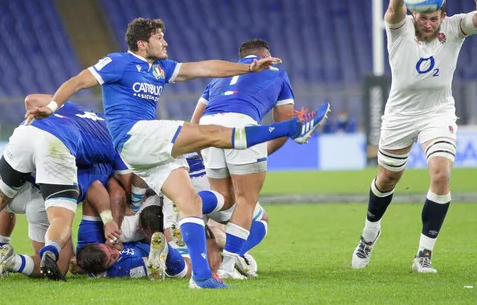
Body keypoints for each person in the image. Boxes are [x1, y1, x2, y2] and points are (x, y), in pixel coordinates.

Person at [25, 18, 330, 289]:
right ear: (143, 43)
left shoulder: (161, 68)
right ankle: (293, 128)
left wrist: (248, 67)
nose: (166, 42)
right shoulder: (117, 62)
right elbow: (78, 81)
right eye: (160, 38)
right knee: (212, 135)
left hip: (146, 149)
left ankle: (201, 277)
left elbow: (204, 68)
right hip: (135, 134)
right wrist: (51, 107)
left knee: (191, 201)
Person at [351, 0, 477, 273]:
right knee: (388, 178)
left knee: (441, 175)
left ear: (442, 15)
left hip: (438, 112)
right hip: (400, 114)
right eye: (423, 18)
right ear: (415, 15)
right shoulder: (400, 29)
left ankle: (423, 255)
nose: (429, 24)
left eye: (434, 18)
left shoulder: (454, 27)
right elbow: (392, 10)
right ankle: (370, 231)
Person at [0, 97, 124, 281]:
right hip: (51, 170)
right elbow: (104, 186)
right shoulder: (109, 151)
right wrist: (109, 219)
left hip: (26, 133)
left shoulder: (73, 109)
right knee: (60, 242)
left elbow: (31, 99)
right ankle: (36, 256)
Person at [189, 38, 290, 278]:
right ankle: (228, 267)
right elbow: (285, 124)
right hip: (242, 126)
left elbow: (195, 123)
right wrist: (258, 151)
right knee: (246, 199)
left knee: (224, 198)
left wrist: (206, 151)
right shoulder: (277, 72)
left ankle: (189, 206)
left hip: (208, 127)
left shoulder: (218, 78)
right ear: (266, 56)